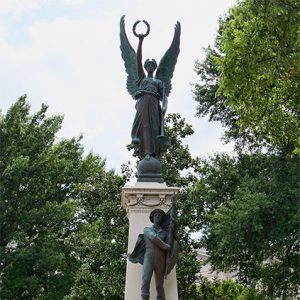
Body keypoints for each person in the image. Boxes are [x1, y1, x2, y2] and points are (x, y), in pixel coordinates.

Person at [131, 34, 166, 160]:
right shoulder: (142, 78)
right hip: (144, 101)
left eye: (152, 65)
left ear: (155, 67)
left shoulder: (158, 82)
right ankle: (146, 152)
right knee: (145, 125)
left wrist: (164, 107)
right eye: (148, 65)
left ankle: (154, 153)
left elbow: (163, 97)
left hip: (155, 103)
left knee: (155, 128)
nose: (150, 66)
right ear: (145, 67)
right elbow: (138, 59)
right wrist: (140, 41)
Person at [129, 209, 170, 300]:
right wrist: (164, 246)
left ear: (162, 219)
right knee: (145, 279)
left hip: (161, 259)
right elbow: (153, 237)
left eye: (159, 215)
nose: (157, 217)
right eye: (156, 215)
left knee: (160, 284)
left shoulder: (164, 233)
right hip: (149, 257)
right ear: (153, 218)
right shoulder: (147, 229)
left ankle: (161, 298)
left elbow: (170, 244)